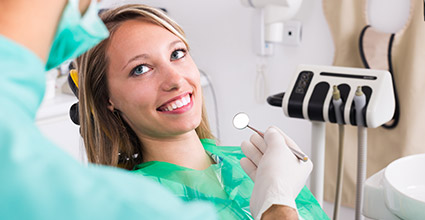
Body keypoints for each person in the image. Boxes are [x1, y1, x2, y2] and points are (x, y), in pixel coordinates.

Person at [0, 0, 321, 219]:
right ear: (108, 99)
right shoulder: (137, 202)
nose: (174, 79)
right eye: (140, 69)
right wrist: (278, 205)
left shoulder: (256, 166)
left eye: (178, 53)